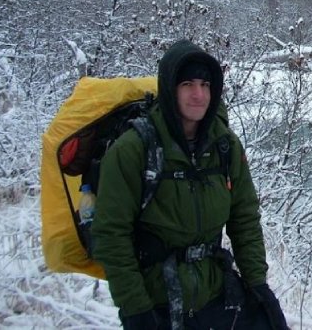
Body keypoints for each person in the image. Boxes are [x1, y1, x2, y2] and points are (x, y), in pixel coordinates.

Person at [92, 39, 290, 330]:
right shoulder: (133, 150)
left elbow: (244, 218)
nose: (199, 94)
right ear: (170, 89)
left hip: (218, 291)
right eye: (187, 84)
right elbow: (111, 234)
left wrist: (258, 285)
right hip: (158, 302)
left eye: (205, 84)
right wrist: (135, 309)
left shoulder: (225, 146)